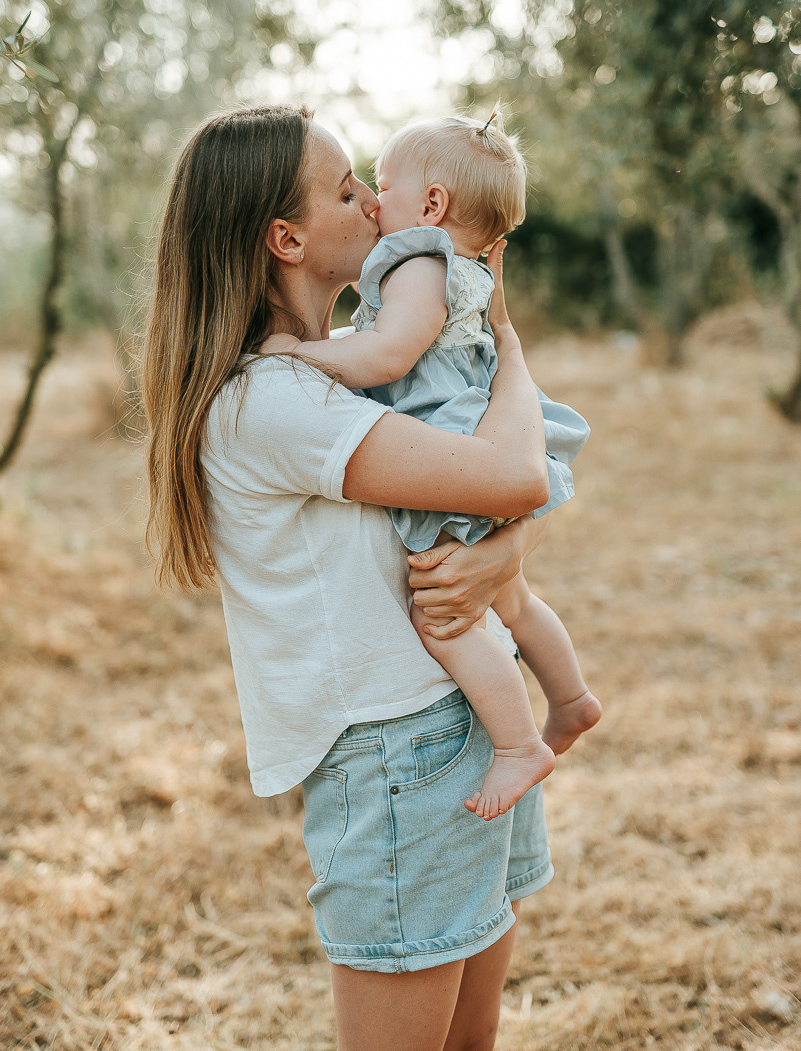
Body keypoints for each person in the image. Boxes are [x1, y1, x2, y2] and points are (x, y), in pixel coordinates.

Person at [143, 104, 559, 1051]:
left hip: (452, 724)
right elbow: (519, 474)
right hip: (397, 755)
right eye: (344, 191)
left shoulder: (352, 370)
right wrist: (507, 345)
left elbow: (491, 502)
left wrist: (504, 552)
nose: (375, 202)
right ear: (285, 240)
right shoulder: (273, 397)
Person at [266, 114, 602, 821]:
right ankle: (569, 698)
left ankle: (518, 744)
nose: (371, 203)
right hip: (481, 425)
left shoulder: (417, 262)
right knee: (509, 596)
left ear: (432, 204)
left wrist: (298, 354)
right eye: (353, 191)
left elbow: (387, 356)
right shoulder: (455, 269)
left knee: (441, 617)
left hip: (451, 431)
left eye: (379, 186)